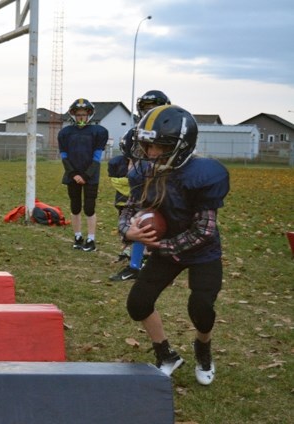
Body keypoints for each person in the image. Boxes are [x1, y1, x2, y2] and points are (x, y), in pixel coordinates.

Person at [119, 105, 229, 385]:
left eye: (160, 146)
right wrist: (129, 231)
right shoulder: (143, 171)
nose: (151, 152)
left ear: (181, 146)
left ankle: (203, 347)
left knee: (201, 310)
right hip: (165, 246)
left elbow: (203, 231)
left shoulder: (203, 174)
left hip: (201, 252)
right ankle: (166, 354)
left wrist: (157, 245)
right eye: (147, 145)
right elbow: (129, 209)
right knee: (138, 303)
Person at [109, 90, 171, 281]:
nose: (150, 112)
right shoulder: (133, 134)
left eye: (154, 108)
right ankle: (135, 264)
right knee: (140, 219)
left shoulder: (174, 131)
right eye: (146, 109)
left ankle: (161, 261)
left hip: (167, 181)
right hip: (144, 181)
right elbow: (131, 164)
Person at [57, 98, 108, 252]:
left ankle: (91, 238)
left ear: (89, 115)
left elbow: (97, 158)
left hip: (90, 175)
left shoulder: (99, 132)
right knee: (75, 206)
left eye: (83, 114)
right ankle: (78, 236)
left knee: (89, 207)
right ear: (73, 115)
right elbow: (64, 156)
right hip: (72, 174)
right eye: (78, 114)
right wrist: (73, 174)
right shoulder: (65, 133)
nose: (80, 117)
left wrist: (85, 175)